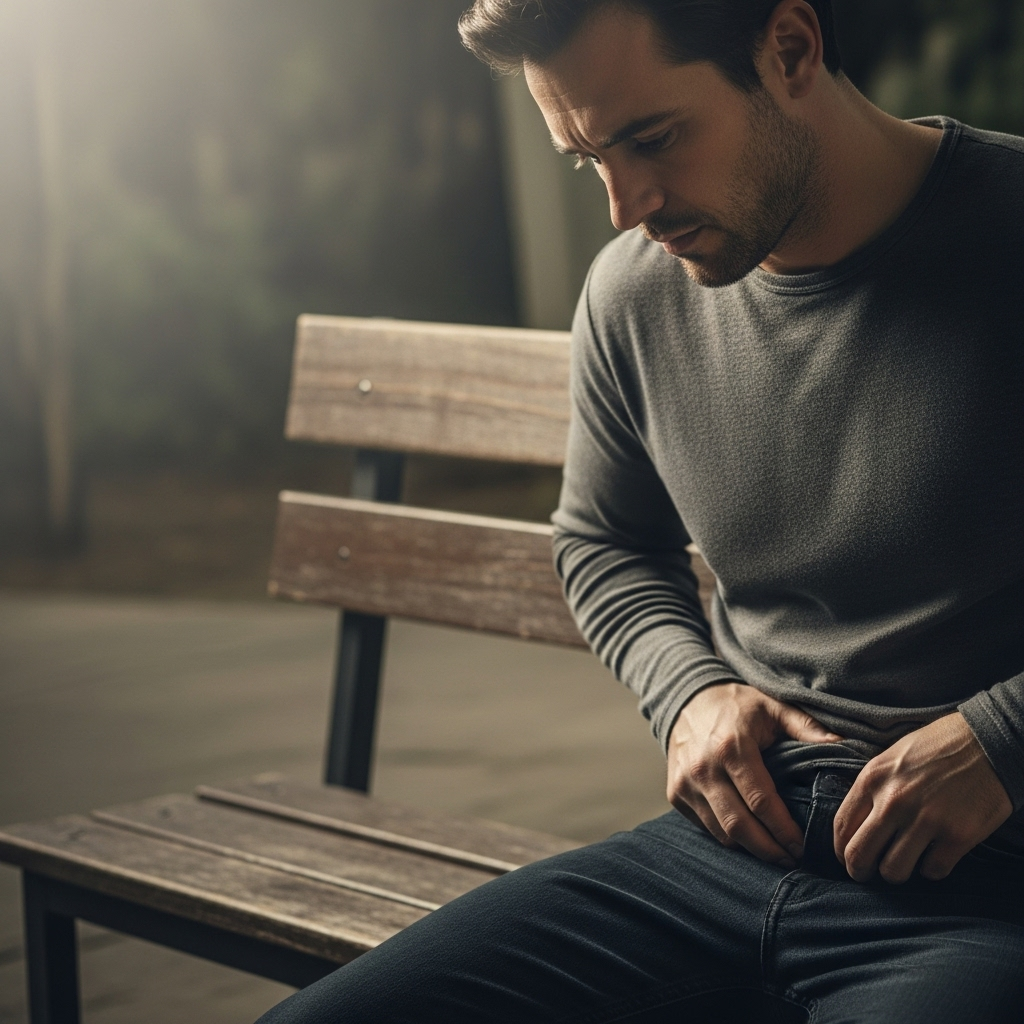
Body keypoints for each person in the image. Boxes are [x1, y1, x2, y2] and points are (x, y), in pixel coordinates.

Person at [257, 2, 1024, 1020]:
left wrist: (1004, 737)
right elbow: (604, 539)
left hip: (983, 890)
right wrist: (689, 693)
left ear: (788, 50)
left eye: (651, 138)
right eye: (585, 159)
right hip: (713, 860)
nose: (625, 206)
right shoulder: (632, 294)